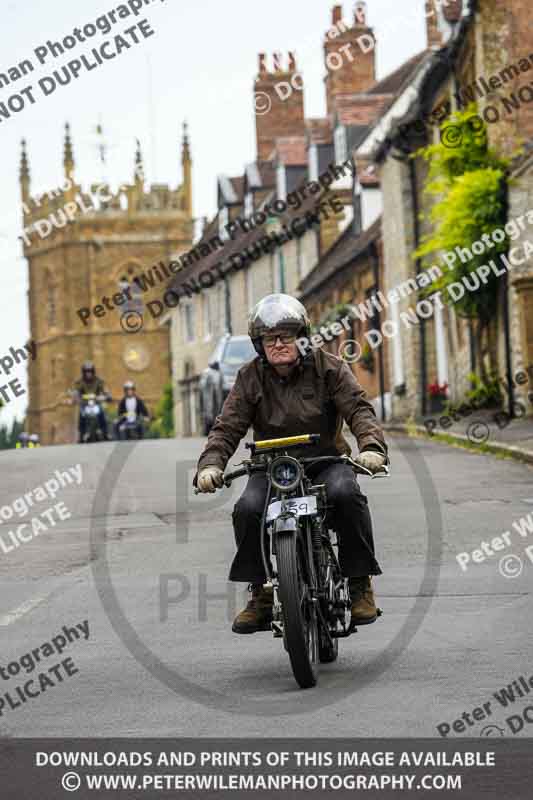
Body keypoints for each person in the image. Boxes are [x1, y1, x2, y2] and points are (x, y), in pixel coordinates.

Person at [195, 293, 388, 635]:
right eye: (270, 338)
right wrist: (211, 465)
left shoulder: (329, 367)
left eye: (286, 335)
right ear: (260, 344)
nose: (279, 344)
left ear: (302, 337)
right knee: (247, 508)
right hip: (272, 466)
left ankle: (360, 584)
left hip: (325, 460)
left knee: (347, 495)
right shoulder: (249, 377)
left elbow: (358, 408)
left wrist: (371, 447)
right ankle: (261, 593)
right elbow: (227, 426)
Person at [72, 362, 110, 442]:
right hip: (85, 403)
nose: (88, 374)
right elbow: (76, 391)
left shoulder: (98, 381)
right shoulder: (79, 382)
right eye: (86, 372)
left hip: (96, 402)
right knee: (81, 414)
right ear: (84, 373)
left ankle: (106, 432)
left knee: (102, 412)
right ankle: (81, 434)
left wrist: (107, 395)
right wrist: (76, 398)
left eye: (90, 372)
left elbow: (105, 389)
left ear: (93, 372)